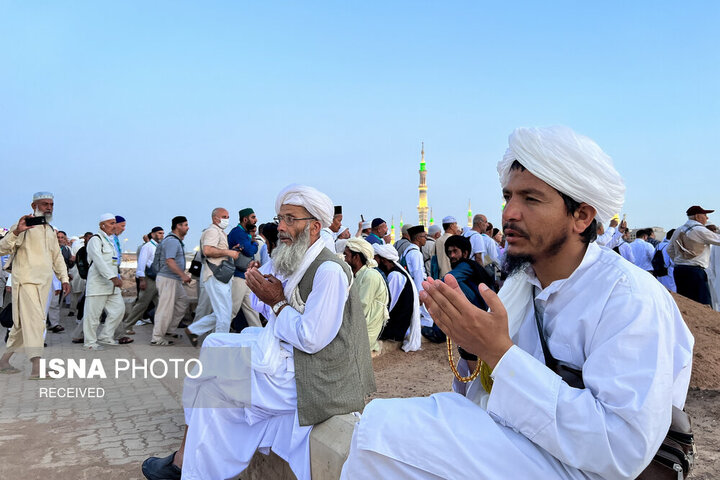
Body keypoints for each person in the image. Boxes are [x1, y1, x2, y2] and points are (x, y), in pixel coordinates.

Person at [340, 126, 694, 479]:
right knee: (384, 429)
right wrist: (471, 349)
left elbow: (621, 448)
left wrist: (499, 353)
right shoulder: (519, 285)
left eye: (531, 199)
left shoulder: (628, 297)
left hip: (587, 469)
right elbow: (476, 399)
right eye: (508, 197)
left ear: (582, 217)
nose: (509, 213)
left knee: (386, 433)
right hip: (523, 446)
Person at [142, 184, 375, 480]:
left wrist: (276, 302)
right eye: (280, 218)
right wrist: (260, 286)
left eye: (291, 219)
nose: (281, 227)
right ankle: (186, 459)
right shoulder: (291, 257)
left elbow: (311, 338)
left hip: (313, 376)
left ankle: (188, 467)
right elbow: (257, 300)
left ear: (315, 226)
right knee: (213, 347)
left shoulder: (329, 271)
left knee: (211, 385)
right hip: (287, 359)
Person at [0, 192, 69, 378]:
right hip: (26, 282)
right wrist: (16, 232)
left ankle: (4, 361)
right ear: (34, 206)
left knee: (22, 326)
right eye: (44, 204)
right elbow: (3, 248)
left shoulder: (50, 230)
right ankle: (37, 368)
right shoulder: (23, 225)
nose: (49, 207)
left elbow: (57, 257)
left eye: (51, 204)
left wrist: (64, 279)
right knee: (37, 323)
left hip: (44, 283)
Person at [185, 208, 239, 345]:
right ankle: (219, 347)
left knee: (222, 312)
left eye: (228, 216)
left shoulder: (219, 232)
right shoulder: (212, 231)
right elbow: (208, 250)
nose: (227, 219)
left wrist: (230, 251)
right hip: (215, 276)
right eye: (224, 216)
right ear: (215, 218)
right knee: (224, 316)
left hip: (220, 277)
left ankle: (194, 330)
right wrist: (229, 252)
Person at [83, 213, 126, 350]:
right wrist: (113, 278)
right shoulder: (96, 240)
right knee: (93, 316)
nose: (114, 226)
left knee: (119, 310)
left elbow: (113, 262)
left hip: (112, 285)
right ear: (102, 225)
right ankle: (90, 343)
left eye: (115, 223)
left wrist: (117, 277)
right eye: (111, 223)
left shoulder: (110, 240)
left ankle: (106, 336)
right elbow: (98, 261)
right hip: (98, 284)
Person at [343, 237, 389, 355]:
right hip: (358, 324)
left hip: (365, 330)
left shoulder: (370, 276)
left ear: (356, 257)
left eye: (346, 255)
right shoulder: (358, 275)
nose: (343, 258)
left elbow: (360, 309)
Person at [667, 205, 720, 305]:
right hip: (695, 272)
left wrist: (680, 260)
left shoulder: (678, 230)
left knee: (686, 303)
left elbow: (669, 249)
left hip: (679, 270)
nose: (707, 218)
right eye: (705, 215)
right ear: (697, 216)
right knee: (702, 304)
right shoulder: (700, 230)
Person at [151, 216, 191, 346]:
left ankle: (168, 330)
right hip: (168, 278)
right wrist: (183, 275)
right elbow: (170, 261)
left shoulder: (175, 241)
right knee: (165, 308)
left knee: (182, 301)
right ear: (178, 226)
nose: (187, 227)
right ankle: (157, 337)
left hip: (174, 279)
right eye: (185, 225)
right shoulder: (172, 241)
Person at [373, 244, 421, 352]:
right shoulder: (394, 273)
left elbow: (388, 305)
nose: (374, 261)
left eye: (375, 258)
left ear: (383, 259)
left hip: (396, 328)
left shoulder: (395, 275)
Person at [120, 226, 164, 334]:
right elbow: (141, 263)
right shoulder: (148, 247)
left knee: (162, 304)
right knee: (142, 304)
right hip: (150, 280)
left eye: (162, 233)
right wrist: (142, 280)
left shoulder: (160, 247)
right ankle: (127, 325)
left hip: (159, 279)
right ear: (153, 234)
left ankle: (162, 328)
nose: (161, 235)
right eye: (159, 233)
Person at [228, 207, 261, 328]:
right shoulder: (238, 233)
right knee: (231, 310)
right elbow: (249, 251)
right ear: (245, 219)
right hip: (238, 277)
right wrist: (254, 243)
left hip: (245, 276)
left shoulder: (245, 233)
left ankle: (260, 337)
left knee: (252, 310)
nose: (255, 220)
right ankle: (210, 334)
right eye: (253, 217)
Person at [444, 235, 494, 309]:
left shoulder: (465, 265)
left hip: (479, 308)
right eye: (449, 252)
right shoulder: (471, 265)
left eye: (455, 251)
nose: (452, 255)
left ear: (465, 253)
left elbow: (446, 280)